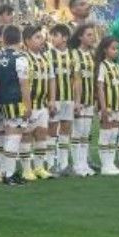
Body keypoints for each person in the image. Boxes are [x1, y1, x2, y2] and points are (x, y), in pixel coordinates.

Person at [0, 25, 31, 184]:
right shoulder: (20, 58)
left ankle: (6, 171)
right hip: (17, 100)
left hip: (4, 100)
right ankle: (9, 174)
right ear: (20, 39)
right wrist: (27, 105)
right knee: (14, 137)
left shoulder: (0, 57)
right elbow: (24, 84)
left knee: (9, 136)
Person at [23, 25, 54, 180]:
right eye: (37, 37)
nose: (41, 40)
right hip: (30, 105)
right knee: (27, 136)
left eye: (41, 37)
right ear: (27, 41)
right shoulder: (24, 58)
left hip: (42, 104)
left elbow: (51, 79)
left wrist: (52, 99)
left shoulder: (45, 57)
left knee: (42, 135)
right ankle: (26, 169)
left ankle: (39, 167)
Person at [69, 24, 98, 177]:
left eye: (92, 35)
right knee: (77, 132)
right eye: (88, 35)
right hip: (79, 100)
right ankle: (76, 165)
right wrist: (76, 100)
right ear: (80, 37)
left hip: (89, 98)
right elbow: (76, 79)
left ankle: (83, 164)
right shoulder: (74, 54)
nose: (92, 37)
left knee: (85, 133)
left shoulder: (92, 54)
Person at [47, 23, 76, 175]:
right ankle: (50, 164)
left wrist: (76, 101)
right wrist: (49, 99)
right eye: (51, 35)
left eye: (55, 35)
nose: (52, 38)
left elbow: (75, 79)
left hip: (69, 99)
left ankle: (64, 164)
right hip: (55, 98)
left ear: (65, 38)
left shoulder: (73, 55)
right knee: (52, 131)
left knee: (65, 130)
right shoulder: (48, 54)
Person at [94, 35, 119, 176]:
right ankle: (105, 165)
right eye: (113, 48)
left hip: (118, 106)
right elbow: (100, 87)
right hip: (108, 106)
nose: (116, 51)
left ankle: (111, 164)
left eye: (117, 48)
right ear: (105, 50)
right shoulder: (102, 65)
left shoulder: (117, 67)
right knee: (106, 134)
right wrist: (103, 106)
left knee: (114, 135)